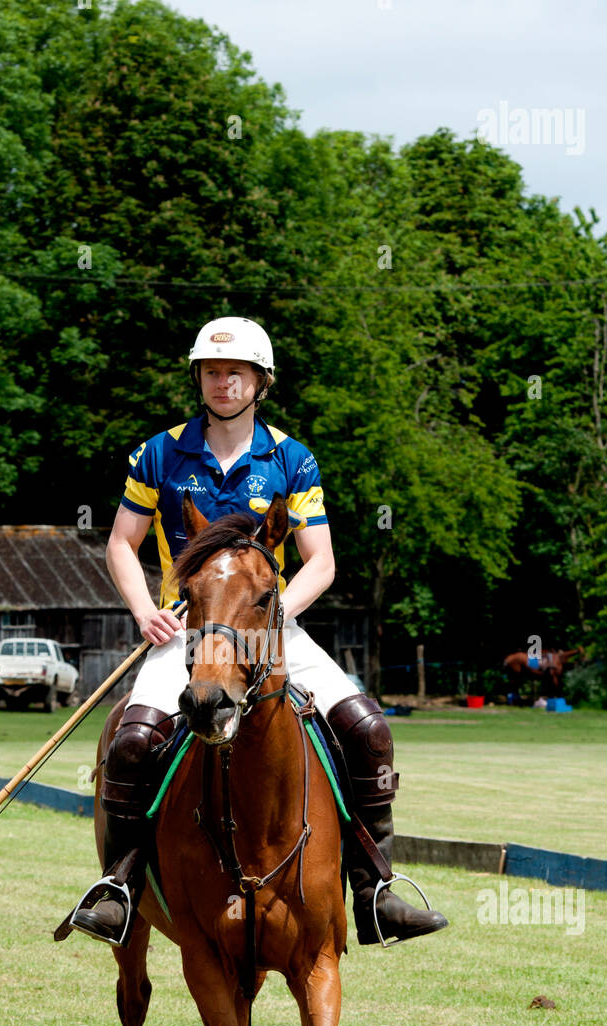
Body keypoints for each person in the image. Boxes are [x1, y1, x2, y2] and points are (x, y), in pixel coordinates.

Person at [66, 317, 447, 948]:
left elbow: (320, 560)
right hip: (186, 633)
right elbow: (120, 544)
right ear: (199, 378)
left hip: (274, 631)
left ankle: (373, 887)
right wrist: (144, 611)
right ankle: (121, 887)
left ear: (259, 382)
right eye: (212, 372)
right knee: (132, 741)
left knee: (368, 729)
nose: (223, 383)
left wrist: (272, 615)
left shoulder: (291, 459)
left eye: (235, 373)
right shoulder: (159, 453)